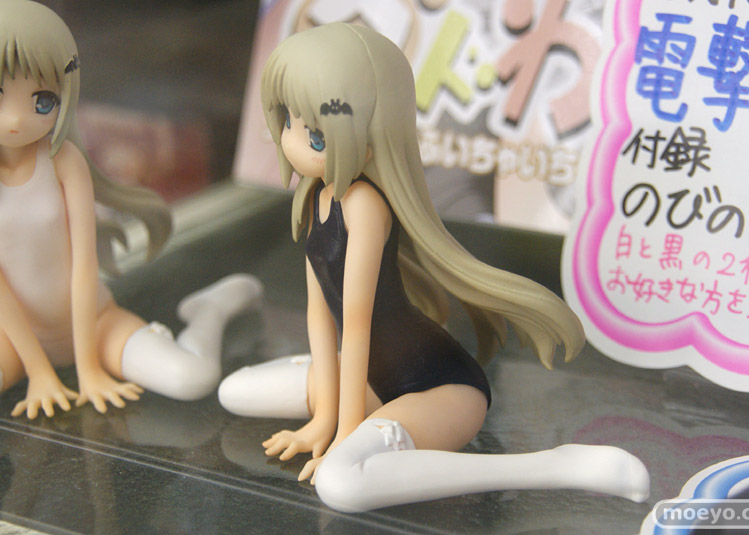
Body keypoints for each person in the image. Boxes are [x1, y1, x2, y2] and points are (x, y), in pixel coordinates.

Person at [219, 22, 649, 512]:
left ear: (370, 135)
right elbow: (321, 312)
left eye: (315, 136)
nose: (293, 143)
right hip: (371, 380)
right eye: (289, 123)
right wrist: (323, 420)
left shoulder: (364, 205)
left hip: (439, 388)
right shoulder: (315, 196)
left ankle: (555, 465)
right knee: (237, 391)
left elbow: (356, 324)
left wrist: (344, 430)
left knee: (342, 482)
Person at [0, 0, 262, 419]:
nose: (15, 119)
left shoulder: (63, 162)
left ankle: (210, 309)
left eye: (42, 101)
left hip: (96, 324)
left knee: (191, 377)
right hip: (13, 340)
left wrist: (88, 367)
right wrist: (38, 371)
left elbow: (84, 268)